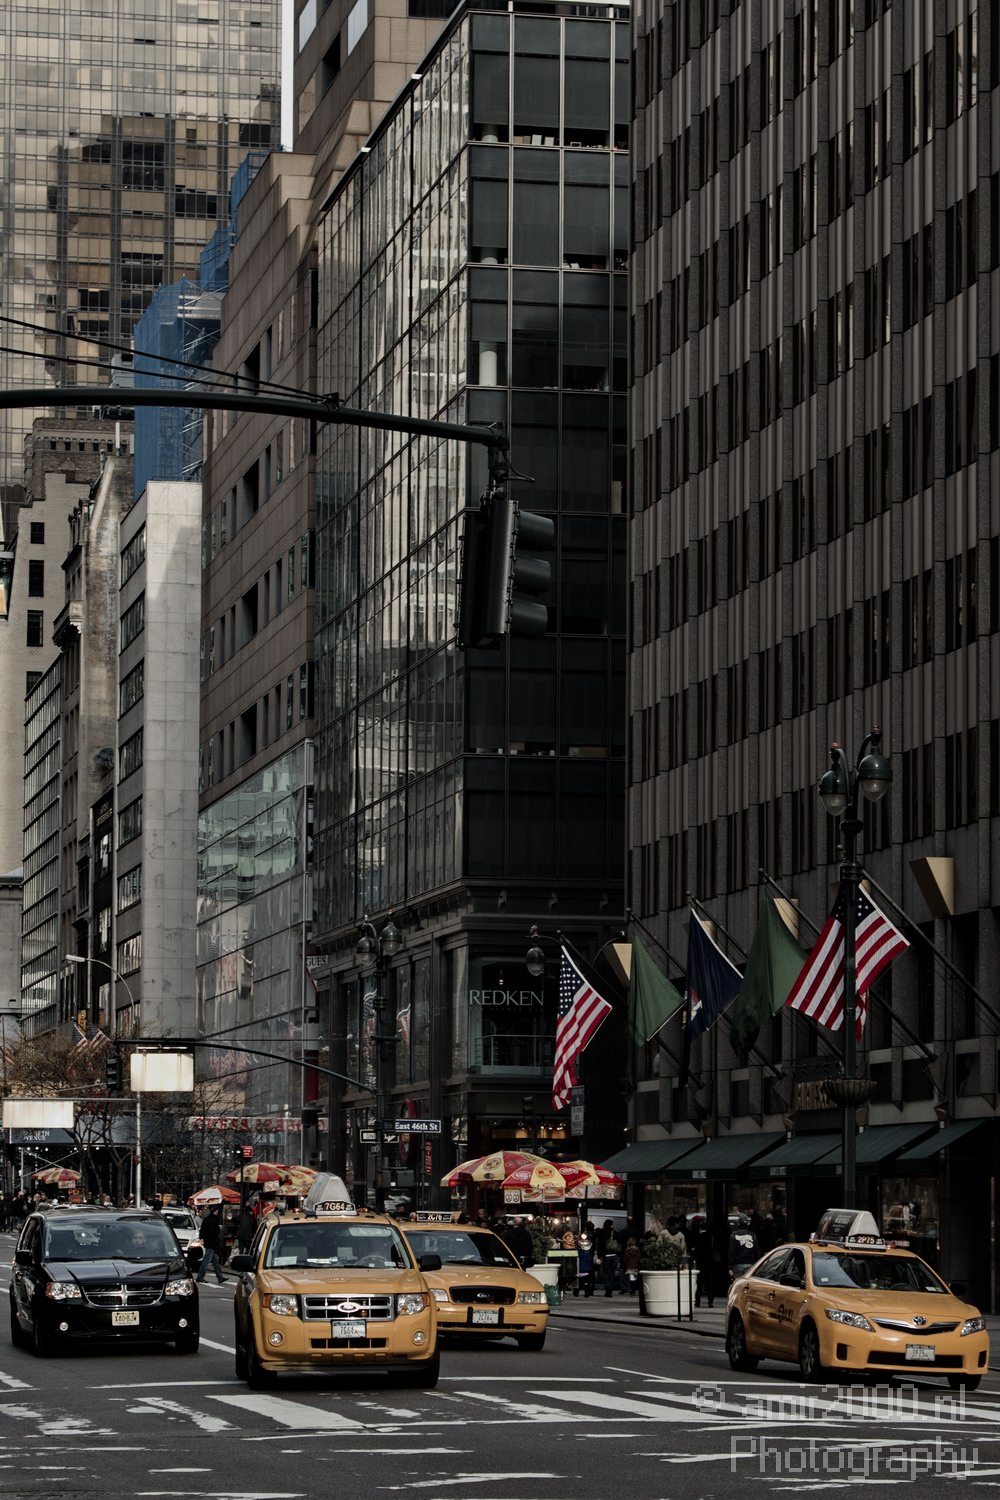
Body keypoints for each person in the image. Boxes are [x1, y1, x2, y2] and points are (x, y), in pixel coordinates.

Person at [690, 1215, 717, 1307]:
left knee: (700, 1282)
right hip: (709, 1262)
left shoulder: (698, 1237)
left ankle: (698, 1300)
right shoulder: (711, 1237)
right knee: (709, 1283)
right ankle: (710, 1301)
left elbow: (695, 1249)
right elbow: (714, 1249)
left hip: (700, 1261)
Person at [197, 1205, 228, 1284]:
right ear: (215, 1211)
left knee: (215, 1260)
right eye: (217, 1210)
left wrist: (202, 1238)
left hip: (208, 1242)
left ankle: (220, 1277)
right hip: (212, 1243)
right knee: (206, 1261)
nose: (218, 1212)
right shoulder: (214, 1220)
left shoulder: (207, 1219)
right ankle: (200, 1277)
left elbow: (202, 1230)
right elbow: (214, 1233)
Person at [727, 1212, 759, 1280]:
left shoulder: (733, 1236)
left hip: (737, 1264)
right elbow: (756, 1250)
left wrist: (730, 1266)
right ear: (747, 1223)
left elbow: (731, 1251)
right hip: (750, 1264)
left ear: (738, 1223)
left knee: (738, 1284)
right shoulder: (752, 1235)